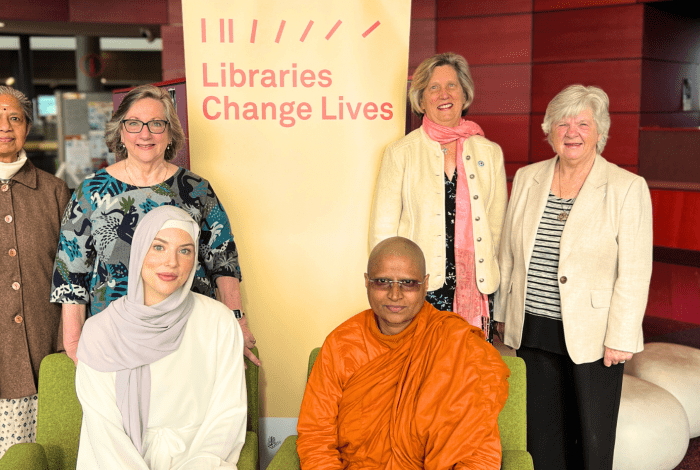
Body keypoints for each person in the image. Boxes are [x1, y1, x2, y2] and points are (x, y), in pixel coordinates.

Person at [494, 85, 653, 470]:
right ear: (549, 130)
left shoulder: (626, 187)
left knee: (591, 438)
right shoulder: (528, 178)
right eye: (562, 122)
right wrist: (502, 312)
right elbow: (509, 255)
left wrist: (621, 336)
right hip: (533, 329)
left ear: (600, 132)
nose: (572, 131)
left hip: (595, 335)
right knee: (542, 436)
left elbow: (634, 270)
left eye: (583, 123)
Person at [50, 85, 259, 367]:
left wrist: (237, 322)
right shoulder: (90, 192)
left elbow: (223, 262)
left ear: (170, 133)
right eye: (134, 124)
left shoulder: (196, 190)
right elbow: (71, 277)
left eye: (156, 124)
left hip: (191, 337)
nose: (145, 134)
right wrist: (74, 344)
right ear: (120, 132)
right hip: (114, 341)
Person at [297, 237, 509, 469]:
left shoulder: (457, 344)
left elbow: (478, 450)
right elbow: (316, 436)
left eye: (408, 283)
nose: (395, 294)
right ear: (367, 282)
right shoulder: (341, 345)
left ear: (425, 283)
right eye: (383, 281)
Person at [75, 205, 247, 469]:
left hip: (199, 461)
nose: (172, 262)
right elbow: (103, 431)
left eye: (185, 250)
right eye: (159, 247)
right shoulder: (100, 332)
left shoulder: (218, 322)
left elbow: (227, 414)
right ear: (140, 250)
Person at [369, 52, 507, 342]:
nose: (443, 94)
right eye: (433, 87)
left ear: (464, 93)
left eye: (451, 86)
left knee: (467, 371)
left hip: (475, 287)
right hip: (417, 287)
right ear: (421, 99)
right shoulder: (401, 152)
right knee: (420, 370)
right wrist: (386, 289)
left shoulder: (489, 152)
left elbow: (497, 232)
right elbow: (383, 231)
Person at [0, 86, 71, 457]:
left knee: (35, 456)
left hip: (43, 352)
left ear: (28, 126)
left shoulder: (55, 192)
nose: (5, 127)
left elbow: (73, 275)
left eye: (15, 117)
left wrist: (65, 341)